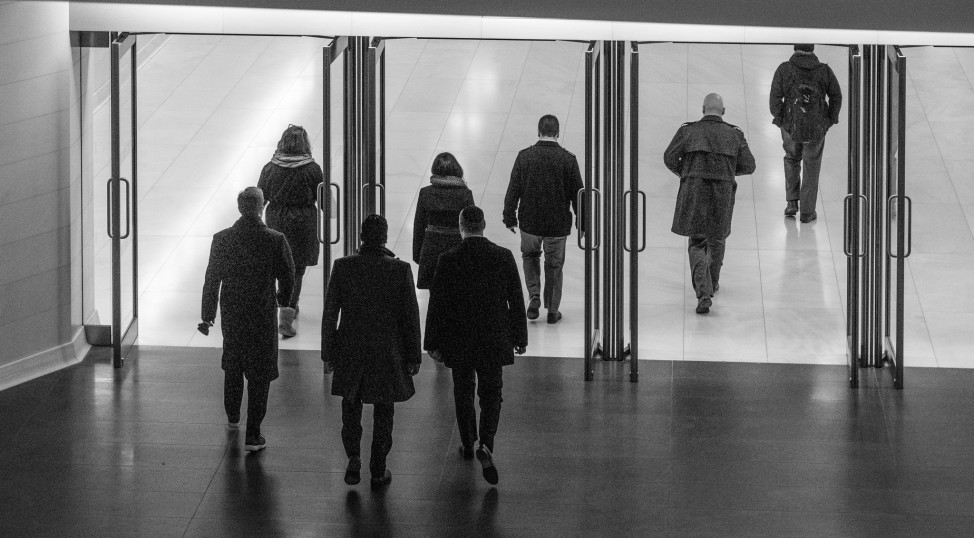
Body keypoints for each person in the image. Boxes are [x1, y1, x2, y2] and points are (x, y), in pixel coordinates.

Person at [425, 205, 528, 485]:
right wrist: (519, 337)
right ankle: (487, 443)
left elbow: (438, 305)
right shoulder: (503, 257)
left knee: (463, 390)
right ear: (483, 224)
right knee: (492, 393)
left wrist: (431, 341)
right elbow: (516, 301)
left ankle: (468, 442)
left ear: (461, 227)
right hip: (494, 336)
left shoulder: (448, 259)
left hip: (459, 338)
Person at [322, 214, 422, 490]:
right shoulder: (399, 270)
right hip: (387, 350)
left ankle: (353, 456)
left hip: (351, 347)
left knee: (350, 404)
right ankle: (378, 467)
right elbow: (410, 318)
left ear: (362, 237)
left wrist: (328, 352)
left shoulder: (343, 267)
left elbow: (331, 312)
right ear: (385, 237)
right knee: (384, 408)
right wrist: (414, 356)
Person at [200, 186, 295, 452]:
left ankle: (232, 416)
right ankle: (254, 433)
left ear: (239, 208)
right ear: (262, 207)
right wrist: (282, 299)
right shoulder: (275, 239)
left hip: (233, 312)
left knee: (234, 364)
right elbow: (288, 275)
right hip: (262, 312)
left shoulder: (222, 239)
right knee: (260, 372)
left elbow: (212, 279)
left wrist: (207, 315)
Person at [664, 94, 756, 315]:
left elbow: (669, 157)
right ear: (723, 111)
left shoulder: (688, 131)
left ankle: (703, 292)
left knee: (697, 240)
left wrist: (685, 173)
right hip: (722, 192)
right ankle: (712, 283)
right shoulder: (734, 135)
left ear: (703, 108)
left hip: (694, 189)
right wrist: (727, 173)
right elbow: (749, 165)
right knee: (717, 237)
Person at [503, 114, 584, 324]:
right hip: (557, 226)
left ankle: (534, 296)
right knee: (554, 266)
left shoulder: (525, 157)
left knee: (530, 257)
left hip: (530, 223)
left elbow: (513, 189)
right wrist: (582, 222)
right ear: (558, 133)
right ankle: (552, 310)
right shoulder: (568, 159)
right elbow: (578, 194)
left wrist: (509, 217)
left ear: (538, 132)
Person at [257, 124, 324, 336]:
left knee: (279, 264)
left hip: (276, 218)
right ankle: (287, 312)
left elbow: (260, 198)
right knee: (297, 268)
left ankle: (284, 303)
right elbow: (323, 201)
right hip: (303, 221)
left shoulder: (270, 168)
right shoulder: (312, 169)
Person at [769, 44, 842, 223]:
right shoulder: (824, 71)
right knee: (812, 165)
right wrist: (830, 119)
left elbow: (775, 97)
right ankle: (808, 212)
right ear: (812, 50)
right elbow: (836, 95)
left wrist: (780, 119)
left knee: (791, 159)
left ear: (795, 48)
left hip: (790, 124)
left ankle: (792, 202)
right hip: (816, 127)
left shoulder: (784, 69)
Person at [412, 152, 475, 289]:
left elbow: (419, 226)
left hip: (431, 251)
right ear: (457, 170)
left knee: (435, 296)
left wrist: (418, 255)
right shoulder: (465, 193)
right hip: (458, 250)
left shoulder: (426, 193)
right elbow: (472, 225)